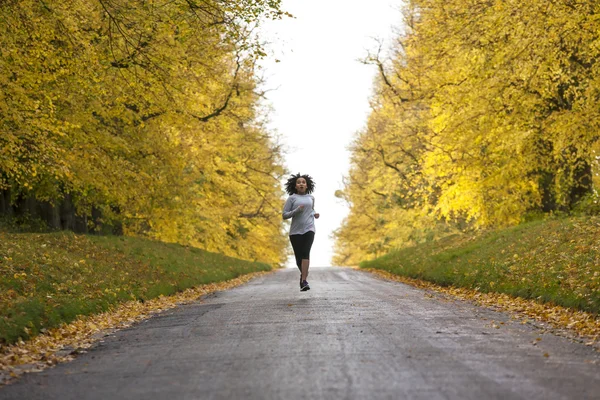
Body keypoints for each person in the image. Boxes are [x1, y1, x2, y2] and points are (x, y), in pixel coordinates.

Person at [282, 173, 320, 291]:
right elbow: (284, 215)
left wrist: (315, 214)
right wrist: (297, 210)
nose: (301, 184)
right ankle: (303, 276)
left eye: (303, 182)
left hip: (309, 229)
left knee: (305, 253)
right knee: (299, 259)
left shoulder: (311, 198)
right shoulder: (292, 198)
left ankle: (304, 281)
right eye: (299, 182)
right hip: (295, 232)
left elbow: (311, 210)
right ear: (295, 186)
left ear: (307, 185)